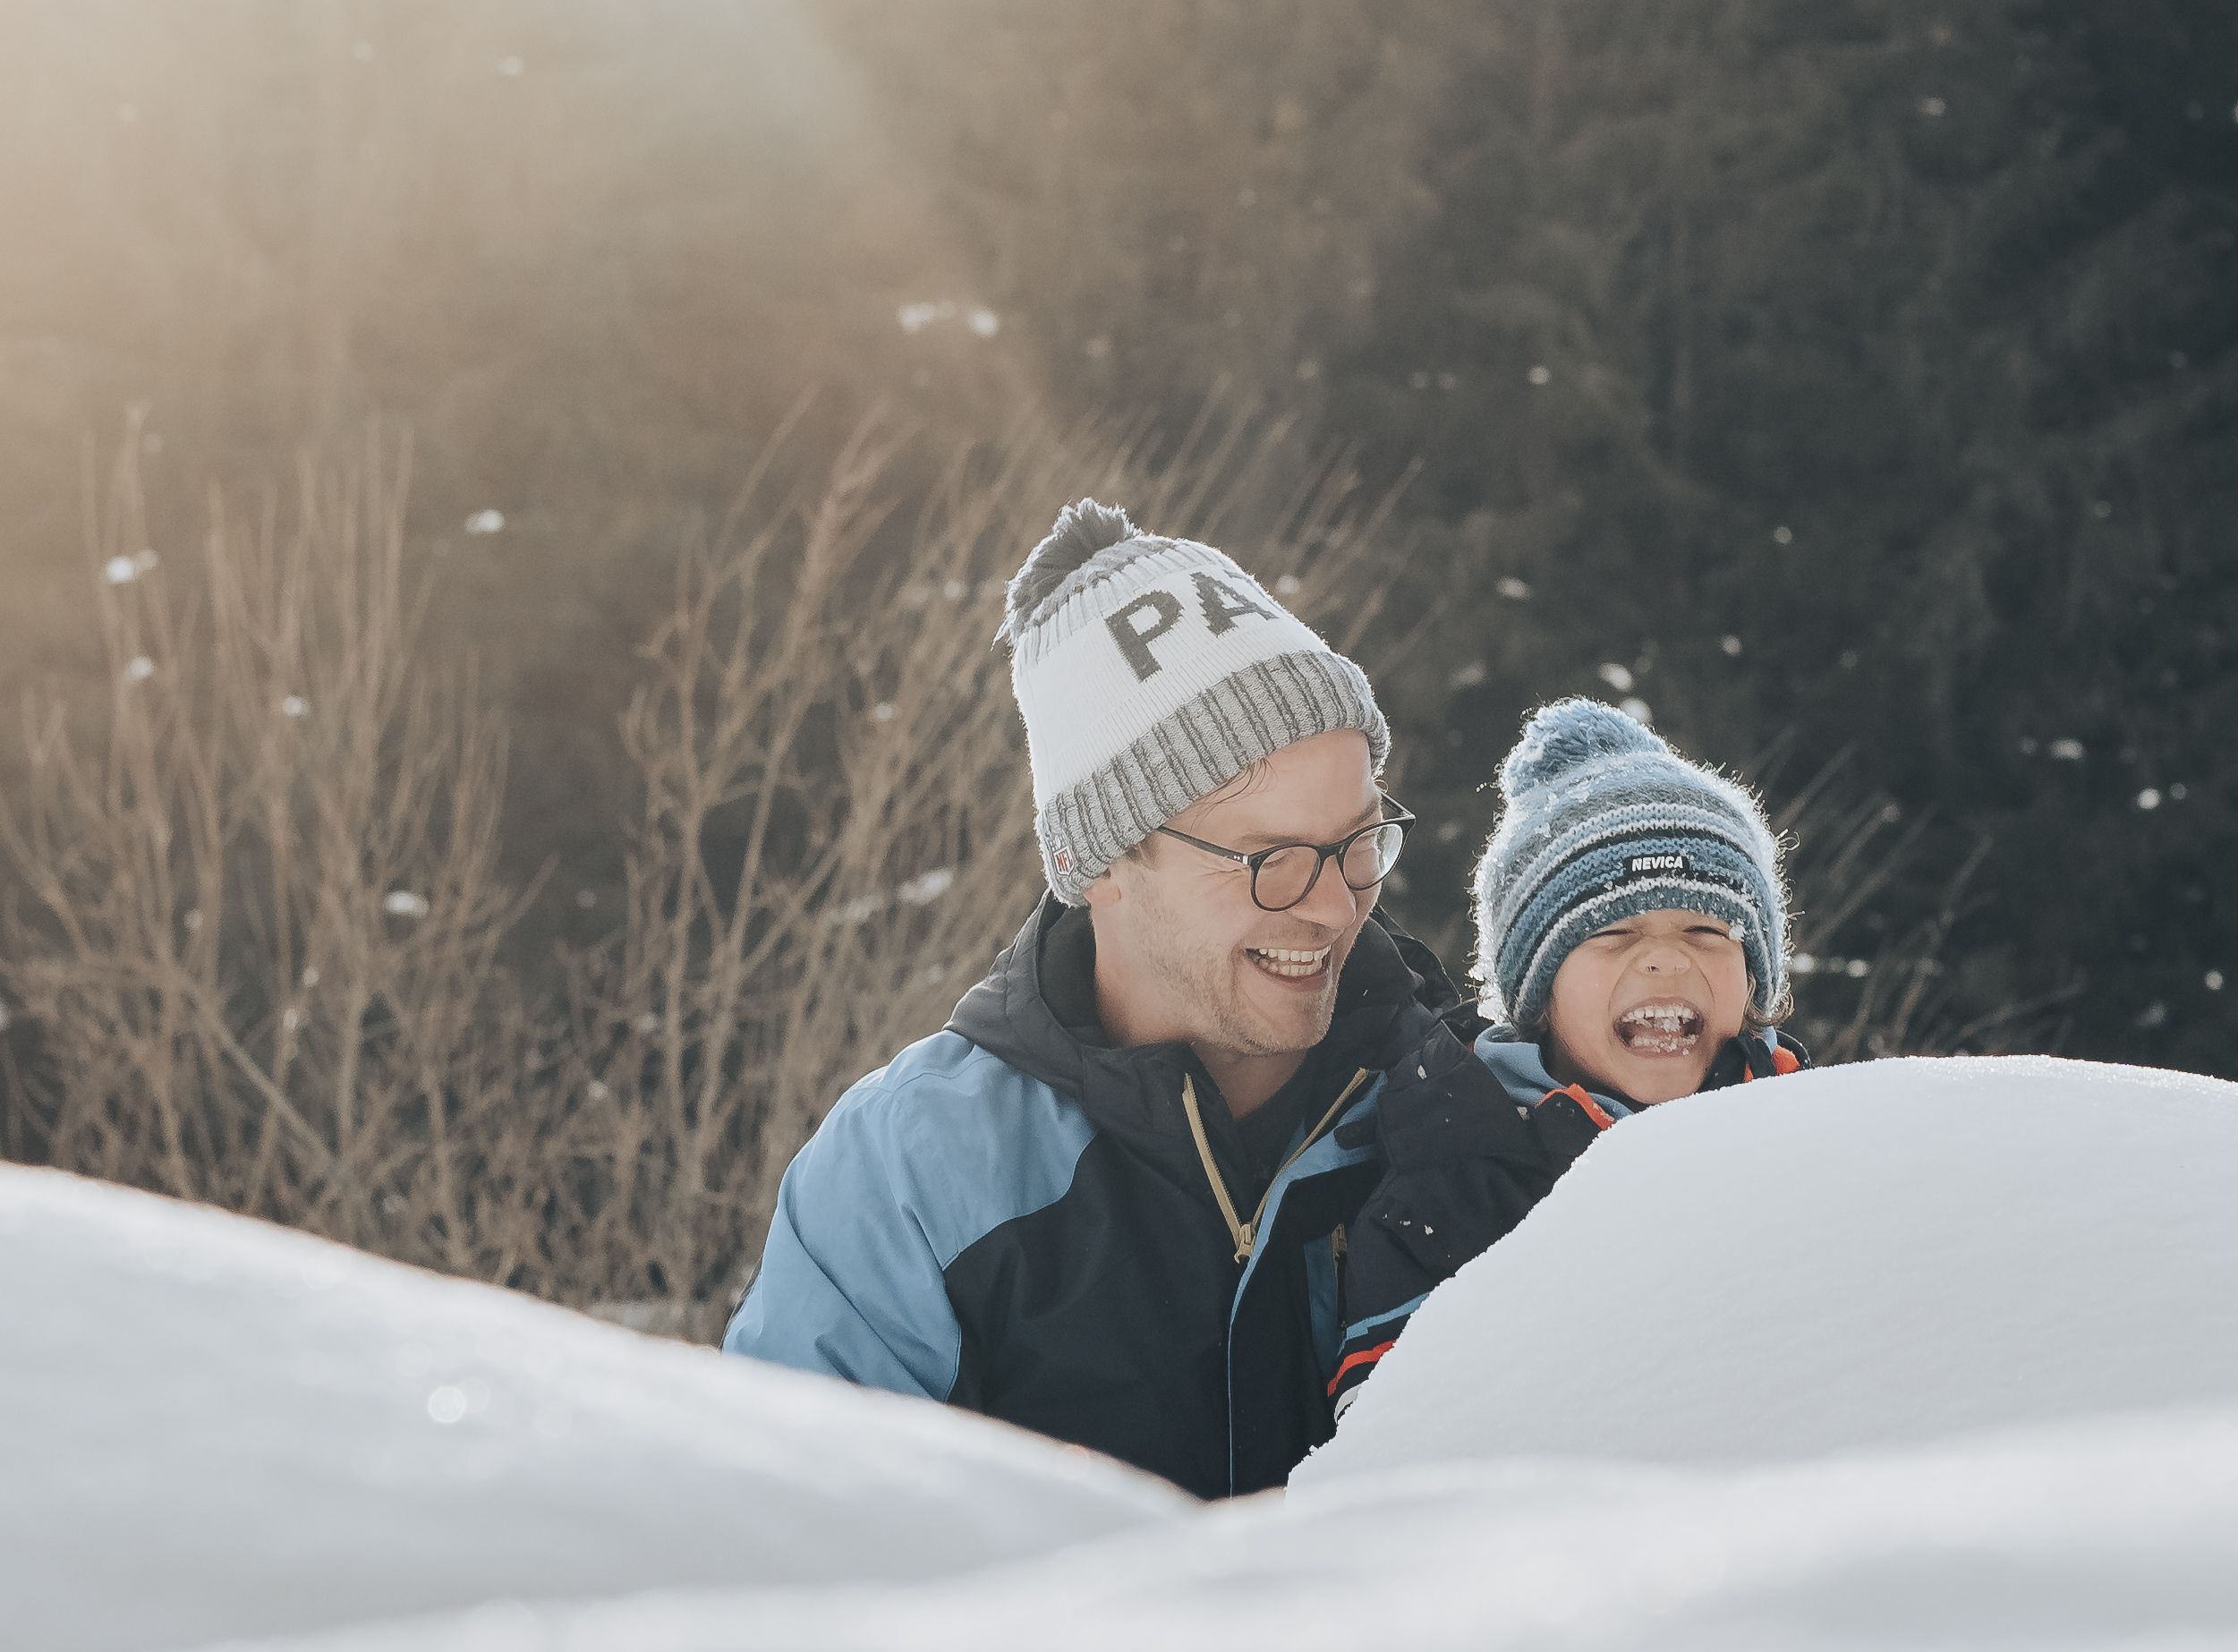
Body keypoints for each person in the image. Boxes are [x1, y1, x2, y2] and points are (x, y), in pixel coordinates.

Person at [724, 500, 1454, 1497]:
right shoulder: (910, 1177)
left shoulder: (1465, 1113)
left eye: (1359, 840)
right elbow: (794, 1539)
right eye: (1267, 858)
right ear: (1100, 861)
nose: (1333, 905)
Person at [1323, 701, 1803, 1422]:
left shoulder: (1813, 1139)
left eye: (1707, 928)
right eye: (1612, 931)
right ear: (1537, 989)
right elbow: (1398, 1442)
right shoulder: (1450, 1183)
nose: (1665, 959)